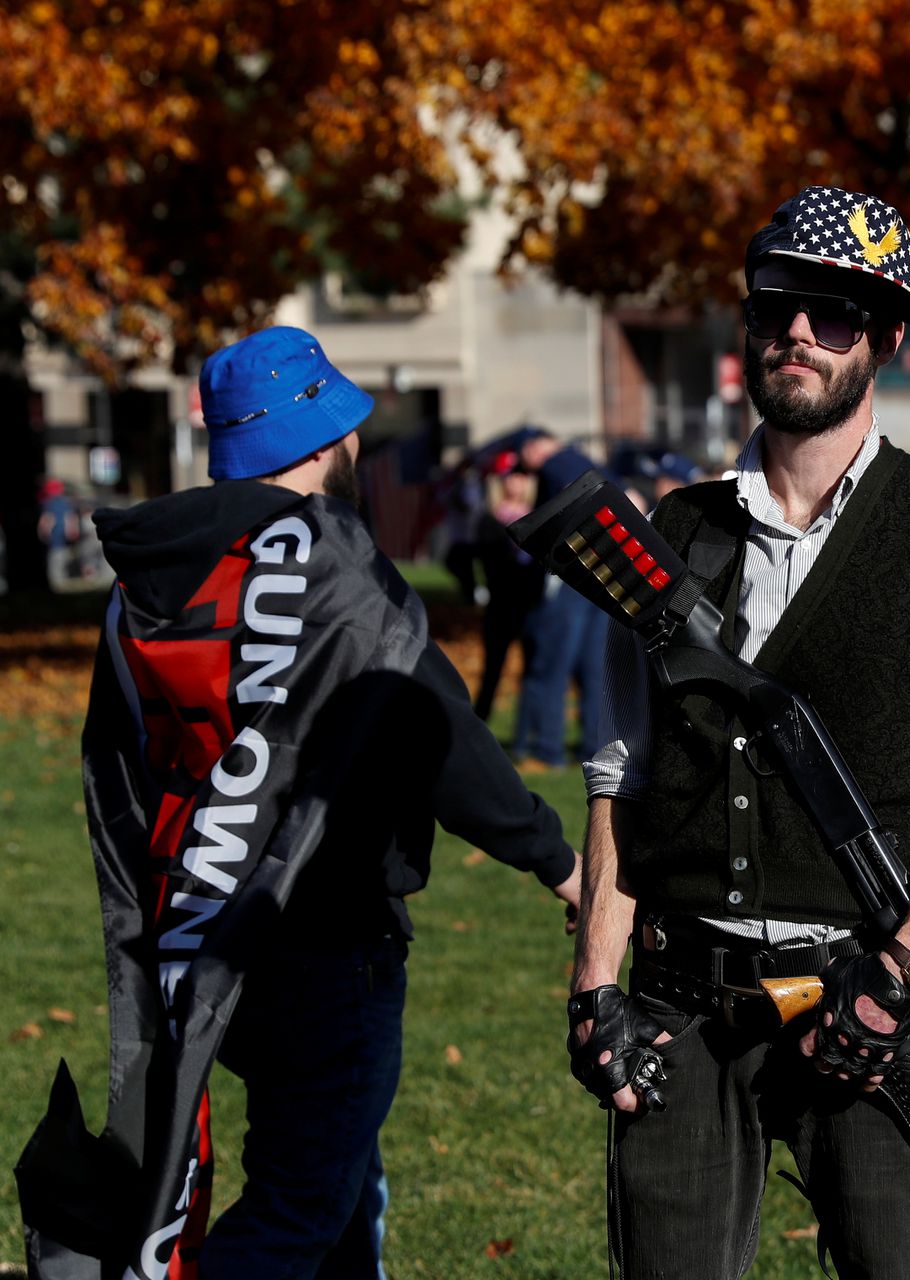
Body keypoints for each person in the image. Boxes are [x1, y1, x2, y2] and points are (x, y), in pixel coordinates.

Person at [573, 185, 910, 1277]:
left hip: (866, 1000)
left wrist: (901, 976)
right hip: (679, 1003)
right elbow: (620, 777)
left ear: (882, 340)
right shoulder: (666, 530)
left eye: (834, 312)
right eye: (778, 303)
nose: (798, 329)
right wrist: (597, 979)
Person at [51, 327, 581, 1278]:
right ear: (325, 440)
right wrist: (558, 859)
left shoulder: (156, 575)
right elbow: (437, 733)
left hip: (201, 941)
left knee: (340, 1184)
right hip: (329, 943)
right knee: (302, 1206)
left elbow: (120, 764)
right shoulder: (334, 565)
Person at [515, 426, 612, 767]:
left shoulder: (555, 465)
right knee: (593, 668)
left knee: (551, 664)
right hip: (602, 574)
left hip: (569, 573)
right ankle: (592, 746)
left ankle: (546, 749)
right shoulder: (588, 461)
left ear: (534, 446)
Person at [471, 461, 548, 729]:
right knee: (492, 671)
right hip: (501, 604)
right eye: (511, 476)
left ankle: (527, 731)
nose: (516, 482)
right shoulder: (490, 518)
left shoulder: (538, 516)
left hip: (530, 606)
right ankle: (478, 724)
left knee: (533, 671)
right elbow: (490, 562)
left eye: (522, 476)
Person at [37, 476, 79, 586]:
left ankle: (56, 581)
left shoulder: (48, 503)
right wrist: (73, 530)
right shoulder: (66, 502)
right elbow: (71, 517)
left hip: (54, 535)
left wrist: (43, 532)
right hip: (64, 535)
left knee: (54, 560)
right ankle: (63, 579)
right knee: (63, 558)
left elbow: (47, 519)